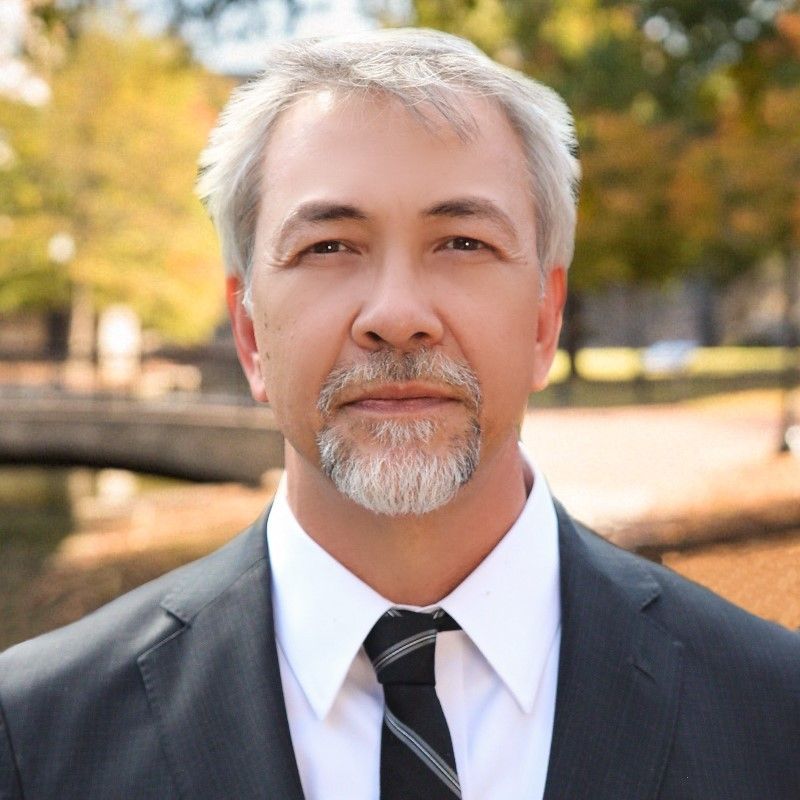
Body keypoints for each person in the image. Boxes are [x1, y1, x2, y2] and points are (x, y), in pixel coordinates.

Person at [1, 28, 798, 800]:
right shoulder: (35, 736)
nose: (396, 313)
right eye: (328, 248)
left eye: (460, 243)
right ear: (248, 333)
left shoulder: (775, 718)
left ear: (544, 320)